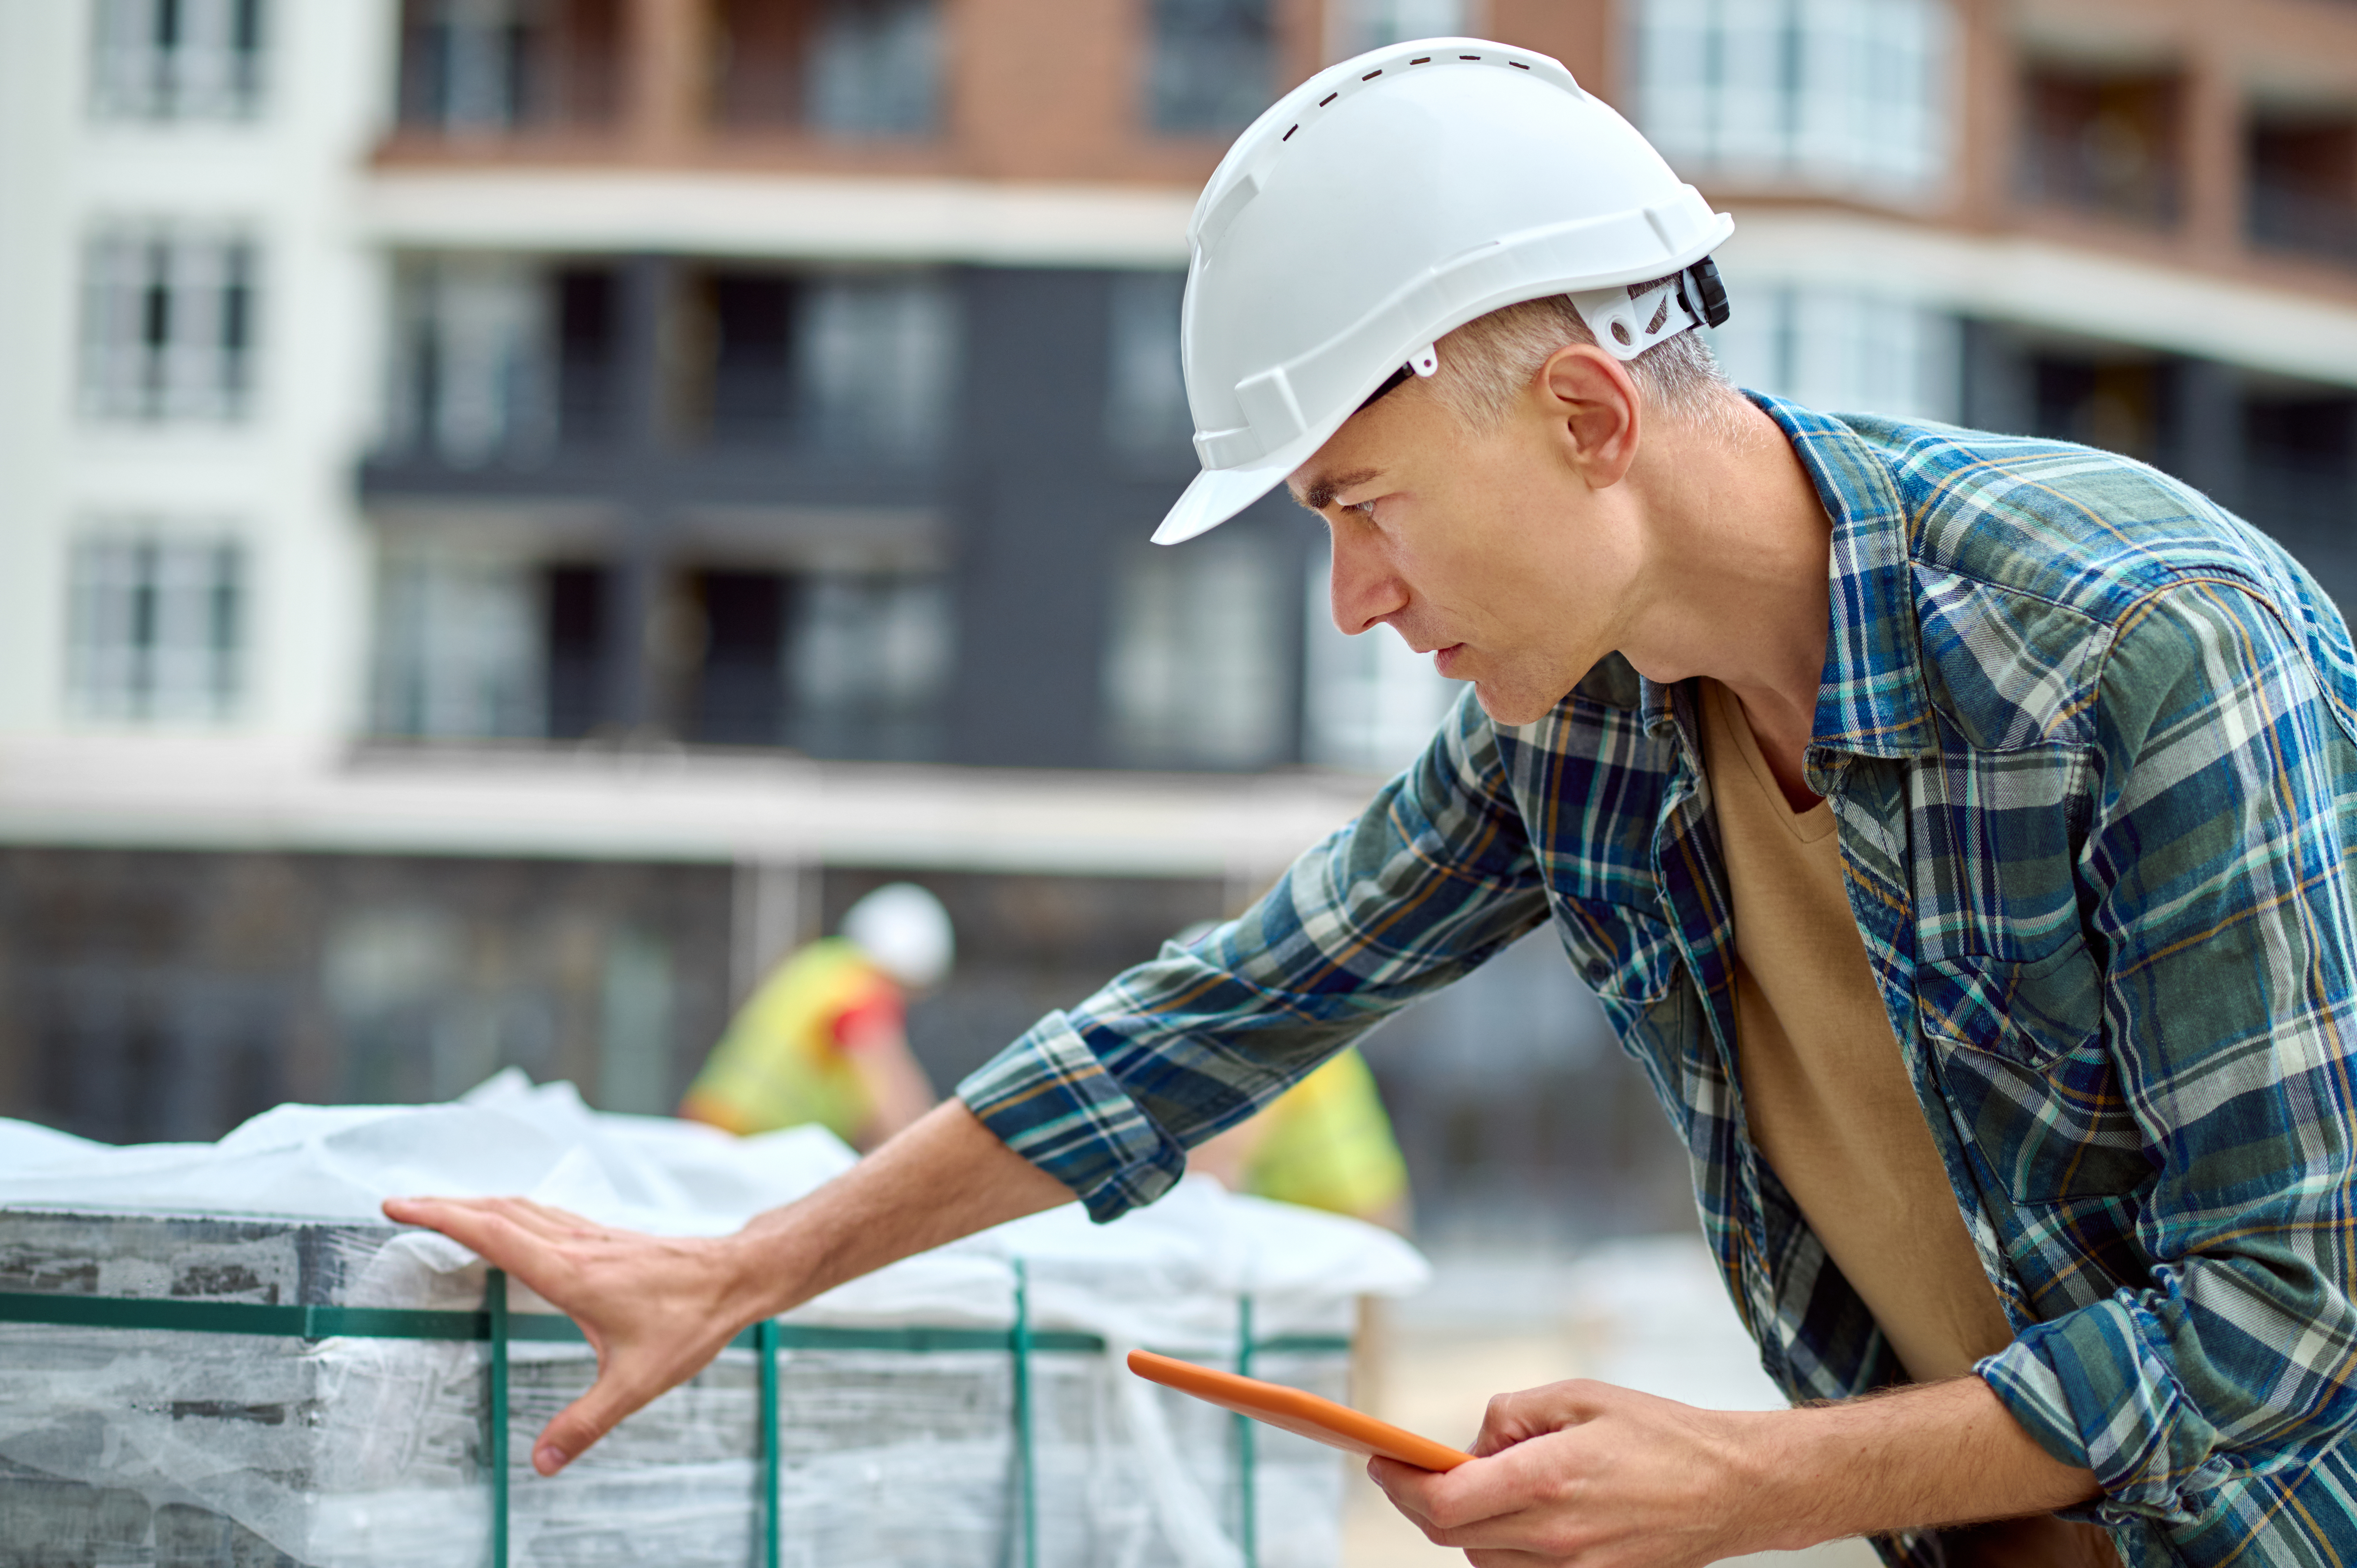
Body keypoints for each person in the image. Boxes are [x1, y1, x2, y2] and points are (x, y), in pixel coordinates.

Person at [387, 38, 2357, 1568]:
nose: (1355, 600)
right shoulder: (1579, 722)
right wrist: (730, 1273)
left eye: (1359, 506)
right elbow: (1202, 1024)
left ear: (1585, 416)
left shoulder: (2141, 649)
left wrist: (1742, 1484)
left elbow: (2281, 1322)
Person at [678, 883, 945, 1152]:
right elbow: (890, 1094)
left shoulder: (823, 967)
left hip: (722, 1130)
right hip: (744, 1141)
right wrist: (928, 1150)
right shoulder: (858, 987)